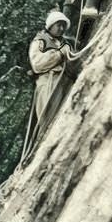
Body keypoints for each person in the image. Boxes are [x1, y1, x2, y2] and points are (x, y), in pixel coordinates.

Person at [27, 9, 77, 148]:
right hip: (47, 82)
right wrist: (59, 55)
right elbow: (37, 65)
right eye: (58, 25)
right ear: (50, 26)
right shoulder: (39, 42)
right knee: (48, 118)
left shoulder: (65, 43)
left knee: (64, 115)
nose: (61, 28)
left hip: (64, 81)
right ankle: (44, 147)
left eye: (63, 26)